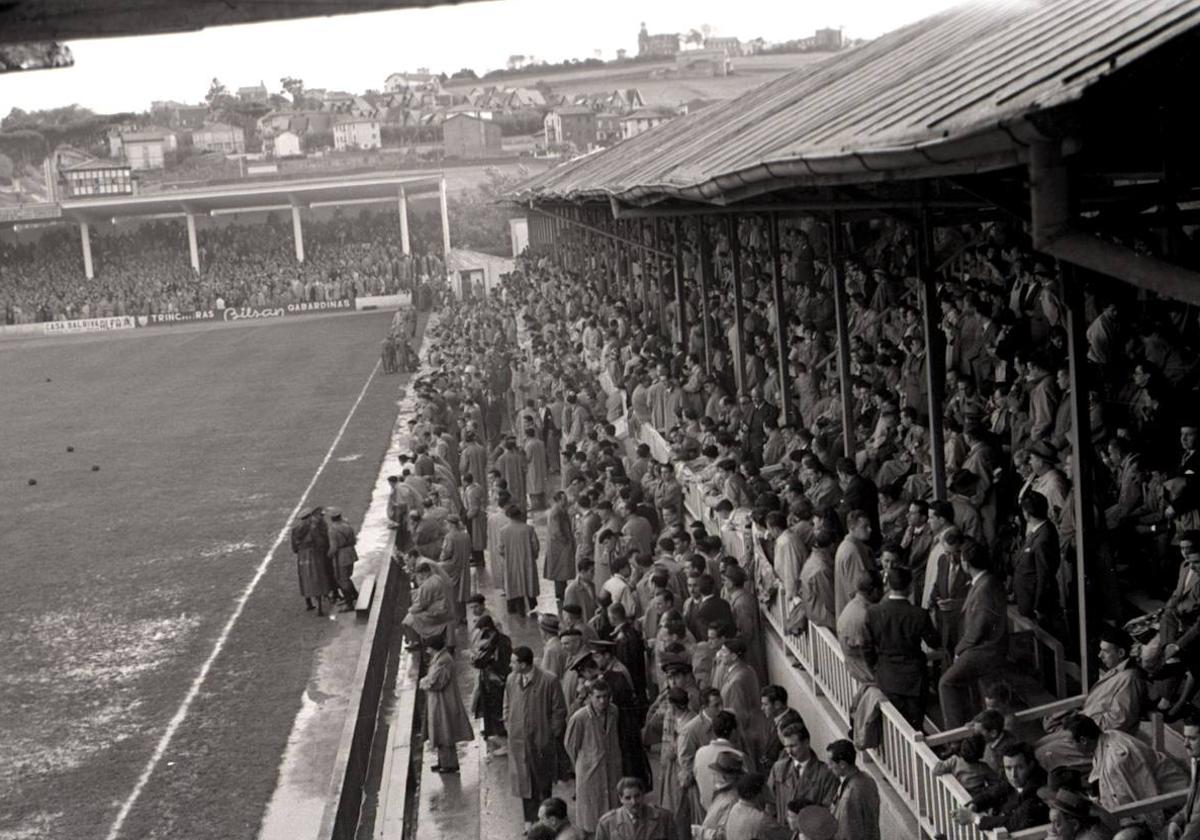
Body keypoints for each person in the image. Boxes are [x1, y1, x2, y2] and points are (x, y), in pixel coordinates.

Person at [1036, 625, 1147, 771]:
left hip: (1099, 741)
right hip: (1083, 730)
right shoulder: (1116, 671)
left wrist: (1081, 722)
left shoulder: (1130, 678)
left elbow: (1118, 722)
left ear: (1120, 652)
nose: (1100, 655)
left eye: (1105, 651)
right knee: (1037, 745)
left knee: (1042, 754)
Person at [937, 539, 1008, 728]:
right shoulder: (985, 581)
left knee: (947, 683)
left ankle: (955, 736)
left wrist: (960, 650)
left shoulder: (985, 585)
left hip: (985, 650)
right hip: (984, 647)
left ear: (966, 563)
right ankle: (967, 724)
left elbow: (980, 626)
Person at [863, 565, 939, 728]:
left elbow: (867, 647)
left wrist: (876, 668)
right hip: (914, 678)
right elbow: (934, 642)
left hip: (887, 676)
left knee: (892, 726)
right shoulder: (919, 614)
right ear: (910, 587)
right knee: (914, 725)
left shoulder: (873, 612)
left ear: (888, 585)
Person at [504, 645, 567, 832]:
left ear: (524, 664)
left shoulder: (549, 680)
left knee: (542, 783)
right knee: (525, 783)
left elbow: (559, 710)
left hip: (541, 742)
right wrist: (509, 725)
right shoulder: (511, 679)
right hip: (519, 741)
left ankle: (546, 821)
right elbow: (507, 704)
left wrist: (550, 734)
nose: (510, 665)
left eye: (513, 662)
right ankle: (529, 821)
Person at [564, 680, 622, 837]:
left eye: (606, 696)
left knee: (612, 818)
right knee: (590, 820)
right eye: (598, 697)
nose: (603, 701)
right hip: (589, 773)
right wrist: (585, 763)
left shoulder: (614, 712)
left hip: (611, 770)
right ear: (590, 697)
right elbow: (571, 746)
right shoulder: (580, 718)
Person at [955, 742, 1048, 832]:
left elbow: (1012, 823)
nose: (1013, 775)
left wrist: (974, 818)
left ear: (1031, 765)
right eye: (1008, 768)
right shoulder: (1011, 780)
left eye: (1019, 767)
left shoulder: (1038, 791)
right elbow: (991, 794)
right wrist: (973, 805)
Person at [419, 633, 473, 773]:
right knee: (441, 732)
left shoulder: (443, 661)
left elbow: (434, 682)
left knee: (444, 732)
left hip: (443, 702)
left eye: (428, 648)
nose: (427, 650)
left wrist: (423, 682)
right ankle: (443, 761)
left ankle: (449, 764)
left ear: (433, 648)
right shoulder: (441, 658)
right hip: (439, 700)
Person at [766, 723, 839, 818]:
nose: (789, 751)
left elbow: (828, 811)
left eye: (793, 746)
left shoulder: (826, 774)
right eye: (786, 746)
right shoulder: (778, 768)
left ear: (806, 743)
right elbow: (769, 802)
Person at [469, 614, 510, 756]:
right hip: (493, 680)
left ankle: (505, 743)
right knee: (494, 710)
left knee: (497, 711)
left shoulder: (496, 643)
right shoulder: (499, 640)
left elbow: (484, 661)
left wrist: (475, 657)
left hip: (495, 681)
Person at [827, 739, 880, 840]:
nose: (829, 767)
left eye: (831, 763)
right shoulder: (867, 779)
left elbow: (849, 832)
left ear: (842, 764)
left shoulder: (851, 793)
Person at [594, 776, 674, 840]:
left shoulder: (663, 818)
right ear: (621, 799)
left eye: (637, 796)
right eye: (628, 798)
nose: (634, 802)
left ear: (643, 795)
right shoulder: (607, 824)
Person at [292, 506, 334, 616]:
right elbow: (320, 543)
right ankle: (320, 607)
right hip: (314, 555)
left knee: (304, 577)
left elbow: (294, 548)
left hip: (302, 556)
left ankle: (308, 603)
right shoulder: (313, 528)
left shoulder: (295, 530)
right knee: (318, 578)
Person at [499, 505, 541, 616]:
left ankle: (518, 607)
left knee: (514, 583)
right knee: (528, 582)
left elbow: (501, 549)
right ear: (519, 515)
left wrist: (506, 557)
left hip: (511, 562)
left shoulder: (503, 531)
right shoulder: (529, 529)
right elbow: (535, 546)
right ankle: (532, 604)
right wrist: (533, 556)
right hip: (527, 561)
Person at [723, 771, 791, 840]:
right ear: (761, 792)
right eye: (766, 787)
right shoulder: (761, 820)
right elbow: (790, 837)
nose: (770, 790)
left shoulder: (735, 808)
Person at [402, 561, 454, 649]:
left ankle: (415, 642)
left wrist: (410, 609)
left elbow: (420, 606)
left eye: (419, 575)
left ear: (423, 573)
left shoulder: (427, 585)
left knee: (408, 620)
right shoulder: (437, 578)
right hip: (446, 609)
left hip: (439, 614)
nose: (419, 577)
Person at [1166, 713, 1200, 840]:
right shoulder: (1197, 762)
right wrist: (1177, 820)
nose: (1185, 744)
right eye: (1184, 737)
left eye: (1192, 738)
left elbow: (1198, 822)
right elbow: (1193, 805)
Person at [325, 506, 360, 610]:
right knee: (347, 577)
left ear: (332, 518)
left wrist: (328, 556)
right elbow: (354, 540)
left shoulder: (332, 530)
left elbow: (333, 547)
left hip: (341, 556)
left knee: (341, 579)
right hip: (351, 552)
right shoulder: (347, 525)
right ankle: (355, 596)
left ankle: (349, 604)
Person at [546, 490, 577, 603]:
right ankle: (561, 594)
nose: (566, 501)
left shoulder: (559, 510)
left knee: (560, 571)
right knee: (560, 571)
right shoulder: (556, 512)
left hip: (559, 546)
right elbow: (556, 531)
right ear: (558, 500)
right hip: (559, 547)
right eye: (564, 499)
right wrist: (566, 540)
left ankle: (561, 593)